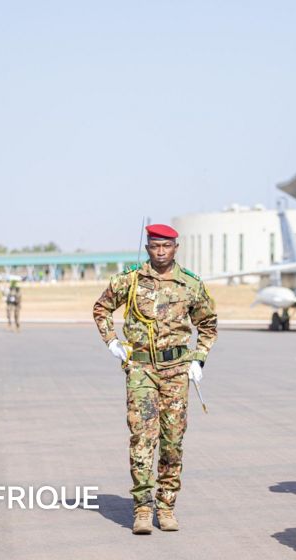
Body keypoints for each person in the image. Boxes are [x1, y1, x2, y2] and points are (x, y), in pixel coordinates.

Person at [92, 224, 217, 535]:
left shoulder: (190, 284)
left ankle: (167, 505)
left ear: (176, 247)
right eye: (155, 246)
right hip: (141, 369)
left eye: (166, 246)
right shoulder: (131, 280)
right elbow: (102, 308)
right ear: (148, 248)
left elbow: (208, 324)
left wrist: (199, 358)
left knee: (172, 441)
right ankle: (143, 508)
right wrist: (112, 341)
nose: (161, 252)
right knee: (142, 438)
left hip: (176, 370)